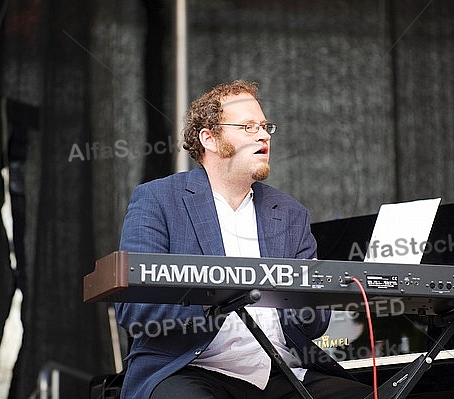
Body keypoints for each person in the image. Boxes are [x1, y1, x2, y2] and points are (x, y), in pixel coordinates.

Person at [115, 80, 372, 398]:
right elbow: (134, 308)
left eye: (265, 126)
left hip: (283, 374)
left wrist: (313, 295)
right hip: (191, 369)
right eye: (247, 127)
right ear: (209, 138)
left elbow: (315, 324)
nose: (263, 135)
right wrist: (220, 299)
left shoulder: (291, 213)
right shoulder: (158, 199)